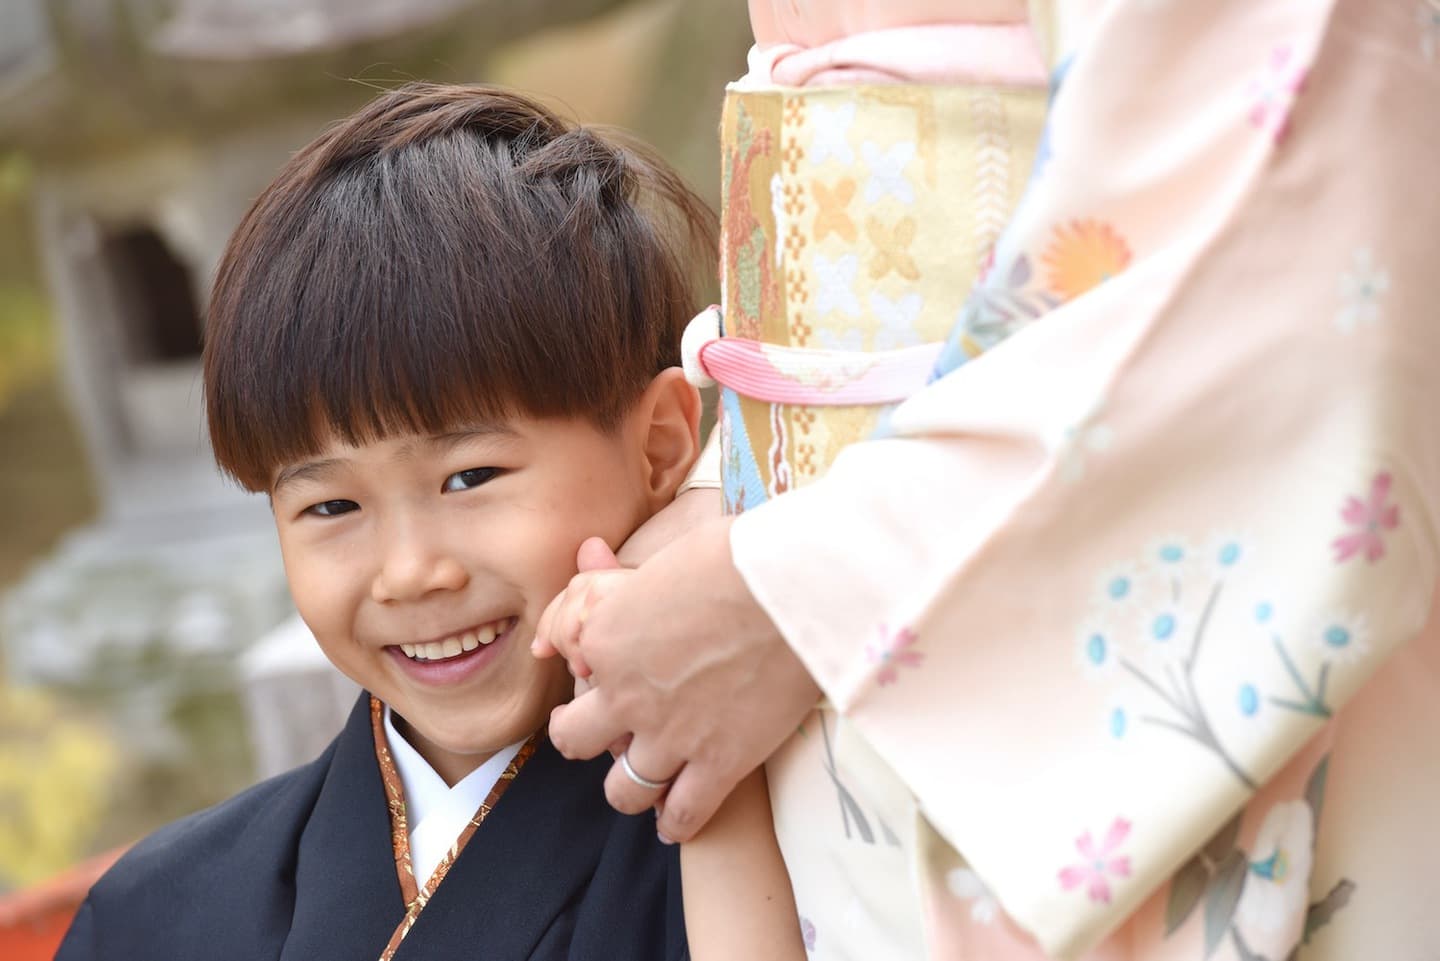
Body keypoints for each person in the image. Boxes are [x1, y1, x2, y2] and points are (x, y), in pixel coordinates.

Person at [535, 1, 1440, 959]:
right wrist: (741, 478)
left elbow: (1302, 210)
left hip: (1116, 577)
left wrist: (799, 592)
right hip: (799, 612)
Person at [56, 83, 802, 961]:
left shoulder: (808, 804)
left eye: (469, 476)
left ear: (664, 443)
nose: (410, 571)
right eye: (330, 505)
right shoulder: (157, 919)